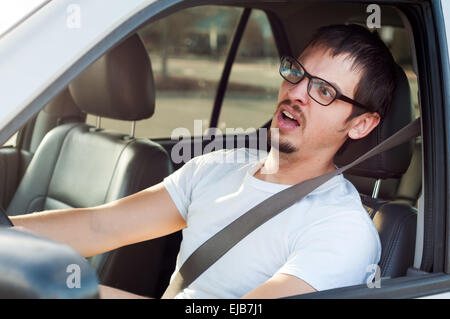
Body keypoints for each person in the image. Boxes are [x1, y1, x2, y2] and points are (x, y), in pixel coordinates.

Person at [10, 24, 397, 299]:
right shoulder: (219, 167)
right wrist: (7, 238)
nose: (296, 93)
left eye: (324, 91)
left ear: (361, 124)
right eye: (297, 73)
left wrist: (71, 290)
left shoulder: (341, 230)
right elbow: (98, 227)